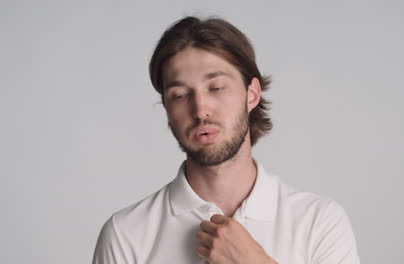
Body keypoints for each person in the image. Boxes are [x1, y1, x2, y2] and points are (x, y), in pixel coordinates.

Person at [92, 16, 360, 264]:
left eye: (216, 87)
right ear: (167, 110)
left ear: (252, 94)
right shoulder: (126, 234)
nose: (200, 109)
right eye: (180, 95)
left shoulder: (319, 222)